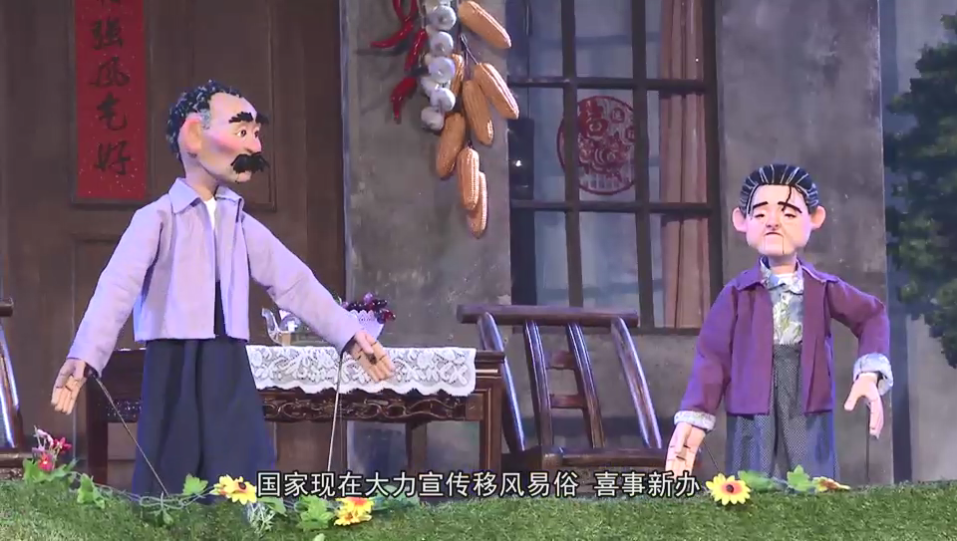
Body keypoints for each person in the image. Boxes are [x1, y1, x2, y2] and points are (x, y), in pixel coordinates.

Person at [49, 80, 395, 496]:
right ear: (194, 135)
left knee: (240, 462)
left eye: (256, 134)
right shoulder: (158, 218)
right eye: (242, 131)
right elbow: (116, 287)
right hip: (174, 359)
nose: (254, 145)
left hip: (227, 357)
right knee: (171, 466)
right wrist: (85, 354)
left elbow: (294, 281)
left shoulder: (239, 221)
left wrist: (348, 335)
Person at [665, 163, 892, 480]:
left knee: (811, 479)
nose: (772, 222)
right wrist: (695, 415)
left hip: (807, 397)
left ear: (814, 218)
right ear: (742, 221)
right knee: (751, 479)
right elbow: (712, 357)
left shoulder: (822, 287)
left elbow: (871, 314)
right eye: (760, 214)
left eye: (788, 213)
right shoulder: (737, 293)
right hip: (752, 401)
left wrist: (868, 374)